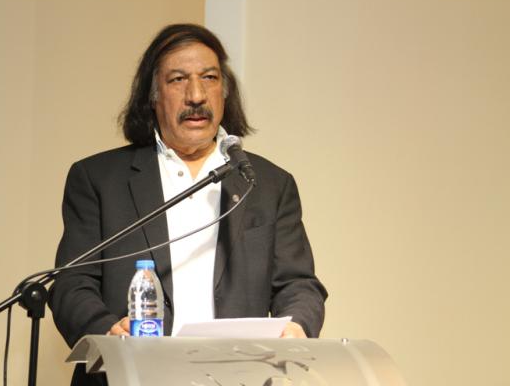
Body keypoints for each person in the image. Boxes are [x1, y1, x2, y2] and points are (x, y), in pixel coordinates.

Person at [49, 23, 327, 385]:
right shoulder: (98, 179)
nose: (196, 95)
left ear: (224, 93)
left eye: (209, 78)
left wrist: (296, 326)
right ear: (152, 96)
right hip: (130, 375)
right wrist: (108, 333)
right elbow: (72, 284)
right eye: (178, 79)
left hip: (237, 377)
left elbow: (298, 284)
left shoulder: (268, 183)